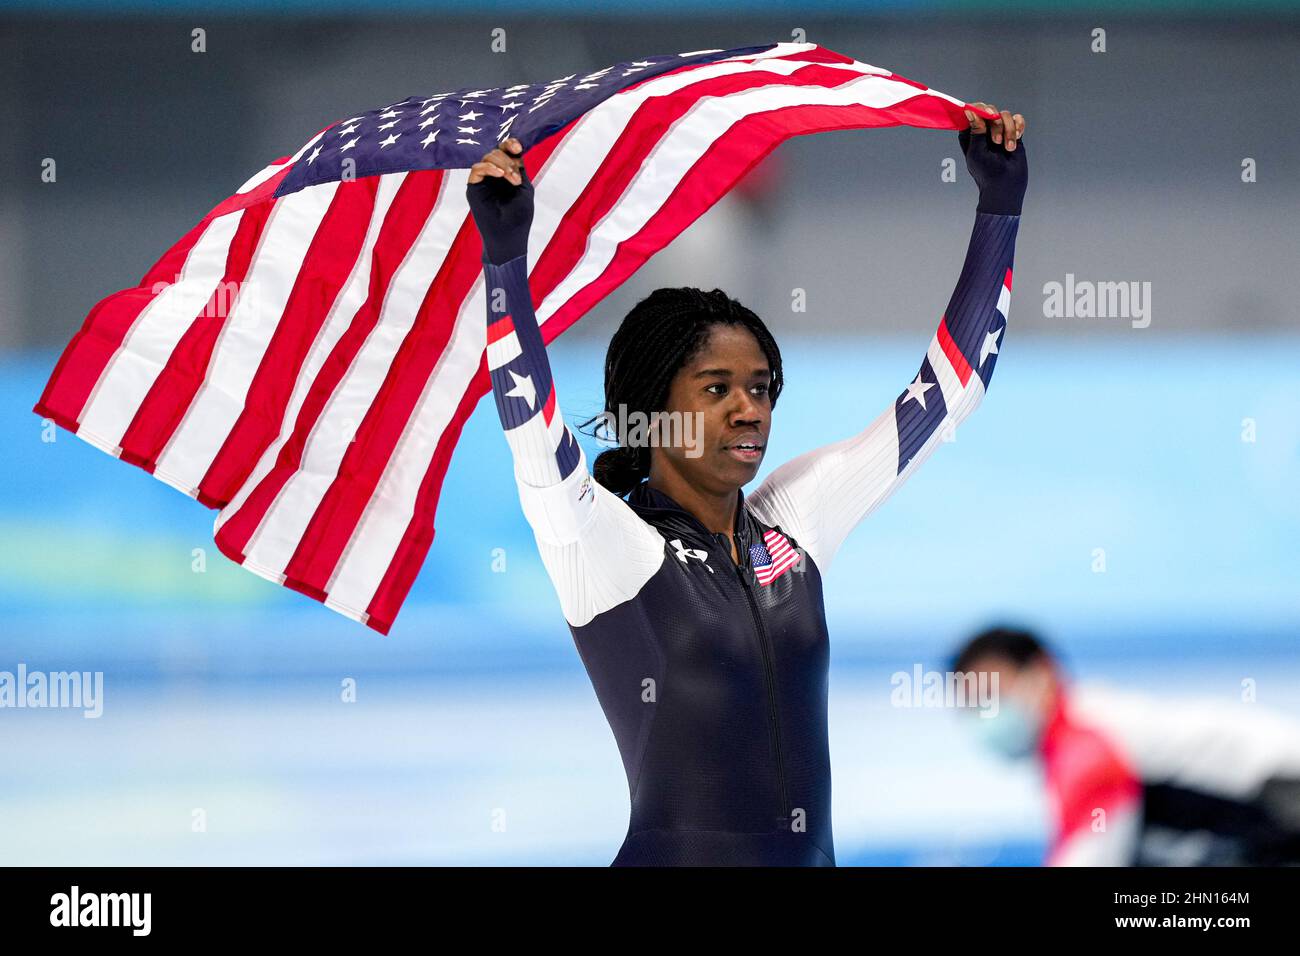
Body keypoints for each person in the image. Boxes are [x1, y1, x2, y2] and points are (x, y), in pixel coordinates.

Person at [466, 104, 1028, 866]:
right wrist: (504, 260)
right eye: (717, 388)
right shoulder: (611, 549)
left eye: (762, 388)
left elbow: (949, 392)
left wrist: (999, 207)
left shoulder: (792, 523)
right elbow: (534, 434)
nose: (748, 409)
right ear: (652, 413)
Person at [950, 626, 1300, 865]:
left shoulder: (1085, 745)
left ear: (1041, 673)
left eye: (992, 695)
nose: (986, 713)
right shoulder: (1092, 722)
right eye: (973, 704)